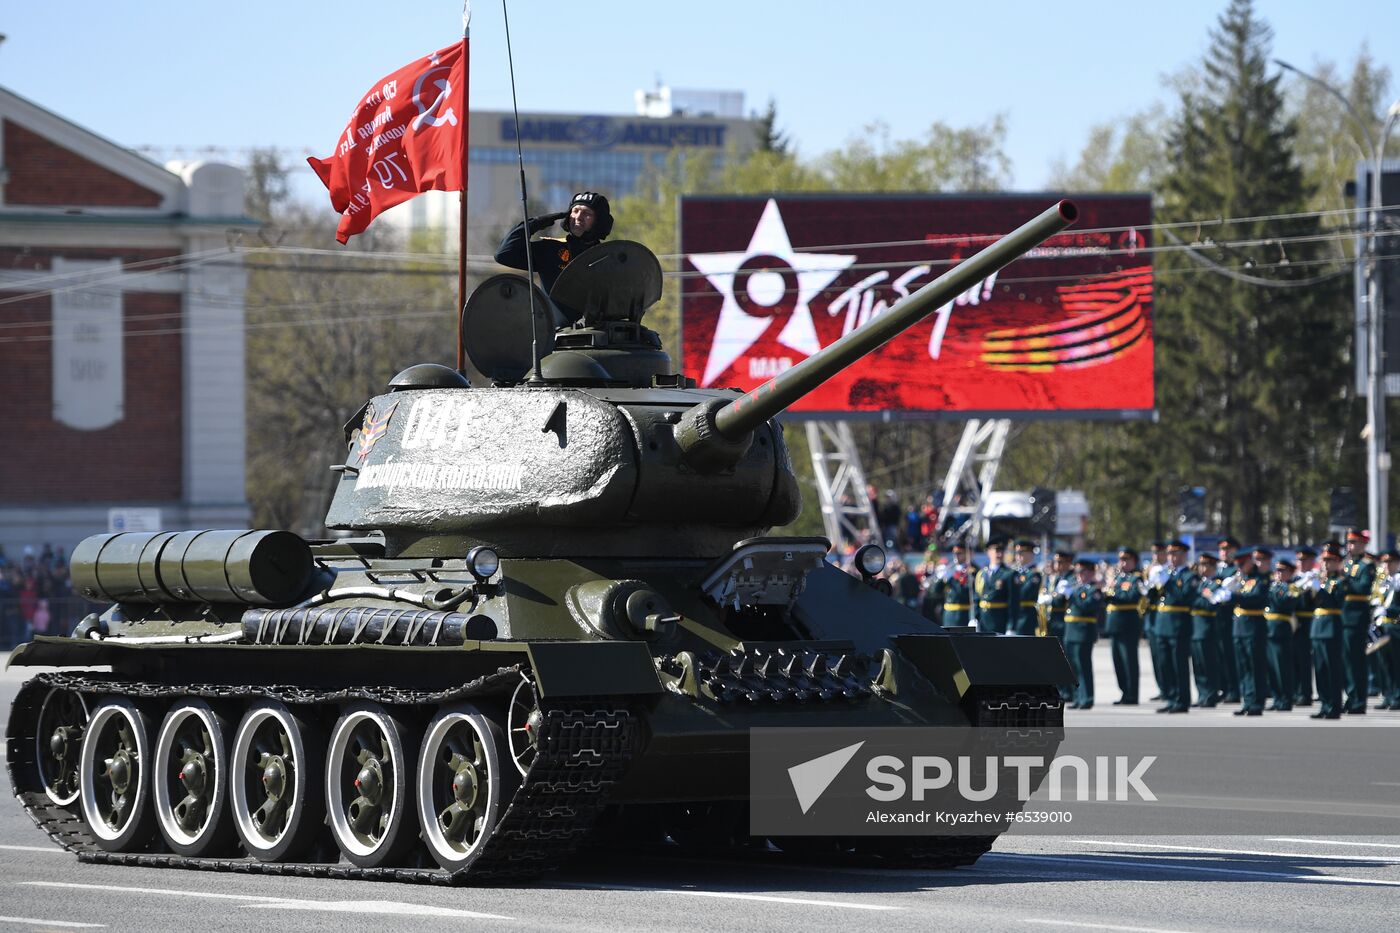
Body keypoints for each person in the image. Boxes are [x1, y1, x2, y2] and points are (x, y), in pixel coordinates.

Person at [494, 190, 614, 296]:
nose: (578, 217)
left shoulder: (608, 256)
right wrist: (535, 223)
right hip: (554, 321)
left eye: (587, 213)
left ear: (599, 221)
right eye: (575, 211)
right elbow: (504, 254)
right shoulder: (550, 249)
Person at [1153, 541, 1197, 713]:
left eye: (1176, 554)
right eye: (1170, 554)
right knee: (1165, 664)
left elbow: (1184, 597)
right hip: (1162, 624)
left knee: (1179, 664)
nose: (1172, 557)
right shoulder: (1166, 573)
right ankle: (1171, 697)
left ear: (1184, 555)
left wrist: (1168, 583)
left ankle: (1182, 699)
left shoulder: (1189, 576)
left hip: (1179, 625)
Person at [1226, 548, 1269, 716]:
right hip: (1239, 627)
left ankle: (1257, 702)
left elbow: (1256, 599)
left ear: (1249, 562)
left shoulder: (1261, 579)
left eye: (1242, 565)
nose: (1240, 568)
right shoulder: (1241, 580)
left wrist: (1233, 597)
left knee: (1255, 666)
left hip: (1253, 627)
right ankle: (1248, 700)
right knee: (1243, 666)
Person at [1305, 541, 1346, 719]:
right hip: (1317, 627)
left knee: (1332, 669)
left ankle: (1334, 706)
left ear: (1338, 562)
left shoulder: (1341, 581)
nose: (1326, 564)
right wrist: (1307, 591)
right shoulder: (1321, 580)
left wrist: (1318, 590)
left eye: (1331, 561)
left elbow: (1334, 601)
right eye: (1325, 560)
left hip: (1331, 626)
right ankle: (1324, 703)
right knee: (1320, 669)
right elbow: (1308, 605)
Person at [1340, 529, 1376, 714]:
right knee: (1346, 660)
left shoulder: (1366, 565)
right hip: (1343, 615)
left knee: (1356, 660)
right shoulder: (1345, 564)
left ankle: (1359, 700)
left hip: (1356, 615)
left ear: (1363, 544)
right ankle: (1350, 696)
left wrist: (1344, 581)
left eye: (1354, 543)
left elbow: (1363, 588)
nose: (1350, 546)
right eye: (1349, 543)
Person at [1105, 546, 1145, 705]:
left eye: (1126, 559)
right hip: (1115, 624)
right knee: (1118, 662)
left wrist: (1112, 592)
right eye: (1121, 559)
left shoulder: (1136, 579)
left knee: (1129, 662)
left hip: (1128, 624)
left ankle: (1132, 695)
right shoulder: (1118, 578)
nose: (1122, 563)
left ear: (1134, 561)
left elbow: (1131, 596)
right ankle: (1124, 692)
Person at [1063, 558, 1102, 709]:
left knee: (1083, 666)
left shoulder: (1094, 590)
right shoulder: (1077, 589)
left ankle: (1087, 698)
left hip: (1083, 631)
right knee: (1073, 667)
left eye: (1082, 572)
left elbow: (1088, 606)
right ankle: (1078, 697)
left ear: (1091, 572)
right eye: (1077, 572)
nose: (1078, 575)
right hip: (1071, 631)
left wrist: (1072, 595)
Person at [1264, 557, 1299, 711]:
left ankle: (1286, 699)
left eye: (1282, 570)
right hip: (1269, 628)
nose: (1278, 573)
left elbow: (1282, 602)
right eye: (1277, 570)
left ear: (1290, 572)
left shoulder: (1292, 587)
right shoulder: (1273, 586)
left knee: (1282, 667)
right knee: (1272, 667)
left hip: (1281, 628)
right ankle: (1277, 698)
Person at [1214, 536, 1242, 703]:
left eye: (1228, 550)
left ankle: (1234, 689)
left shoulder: (1236, 571)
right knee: (1219, 655)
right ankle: (1223, 687)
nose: (1224, 553)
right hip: (1217, 617)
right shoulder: (1216, 569)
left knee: (1230, 655)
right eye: (1222, 550)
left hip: (1230, 616)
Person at [974, 536, 1017, 635]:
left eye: (1002, 551)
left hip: (999, 621)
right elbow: (976, 598)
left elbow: (1013, 602)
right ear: (988, 552)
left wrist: (1011, 626)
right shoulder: (982, 573)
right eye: (996, 551)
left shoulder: (1009, 573)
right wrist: (974, 618)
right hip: (983, 621)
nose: (999, 554)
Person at [1143, 540, 1169, 701]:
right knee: (1155, 655)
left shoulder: (1167, 570)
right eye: (1154, 553)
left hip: (1164, 615)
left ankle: (1169, 689)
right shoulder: (1149, 570)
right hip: (1151, 616)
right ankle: (1162, 687)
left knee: (1165, 656)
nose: (1156, 556)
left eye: (1159, 552)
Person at [1292, 546, 1318, 706]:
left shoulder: (1314, 579)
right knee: (1294, 659)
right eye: (1300, 560)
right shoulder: (1294, 579)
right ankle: (1295, 691)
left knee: (1305, 660)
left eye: (1305, 560)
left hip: (1309, 620)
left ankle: (1306, 693)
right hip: (1295, 622)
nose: (1302, 563)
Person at [925, 540, 973, 627]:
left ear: (967, 554)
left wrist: (951, 579)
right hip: (948, 615)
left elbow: (963, 593)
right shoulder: (950, 569)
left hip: (964, 614)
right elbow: (935, 592)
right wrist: (940, 579)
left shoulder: (972, 571)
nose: (956, 556)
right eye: (954, 553)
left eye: (959, 553)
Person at [1376, 550, 1400, 710]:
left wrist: (1389, 611)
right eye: (1385, 563)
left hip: (1395, 625)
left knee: (1396, 663)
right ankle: (1387, 695)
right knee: (1383, 663)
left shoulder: (1398, 581)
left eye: (1390, 562)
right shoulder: (1382, 582)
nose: (1387, 566)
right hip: (1381, 625)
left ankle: (1397, 696)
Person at [1012, 539, 1043, 636]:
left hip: (1026, 616)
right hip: (1014, 614)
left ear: (1030, 554)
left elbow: (1024, 593)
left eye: (1021, 553)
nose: (1018, 556)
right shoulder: (1014, 572)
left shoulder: (1034, 574)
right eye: (1017, 553)